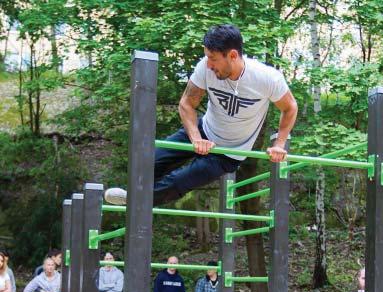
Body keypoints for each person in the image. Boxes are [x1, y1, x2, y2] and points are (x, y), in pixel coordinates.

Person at [104, 24, 298, 207]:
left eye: (213, 59)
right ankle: (136, 194)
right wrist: (196, 138)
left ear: (232, 55)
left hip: (230, 152)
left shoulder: (267, 78)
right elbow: (187, 103)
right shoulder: (205, 68)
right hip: (205, 131)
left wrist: (279, 144)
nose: (209, 65)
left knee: (179, 181)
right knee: (148, 160)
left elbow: (290, 107)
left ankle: (134, 202)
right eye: (207, 58)